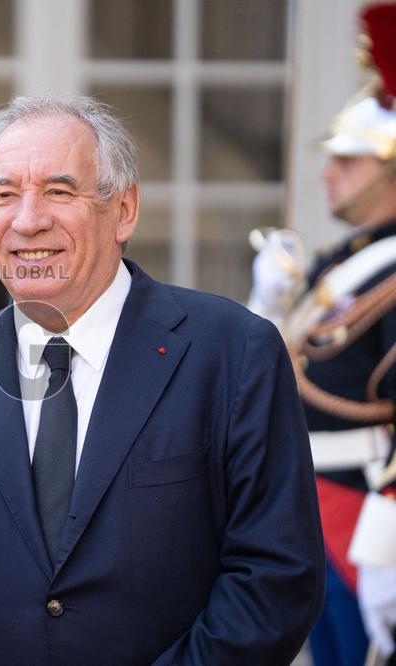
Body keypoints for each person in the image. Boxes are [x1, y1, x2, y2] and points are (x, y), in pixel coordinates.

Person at [0, 94, 325, 664]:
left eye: (59, 191)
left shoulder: (233, 352)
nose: (29, 220)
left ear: (125, 210)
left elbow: (275, 575)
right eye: (4, 195)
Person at [247, 5, 396, 664]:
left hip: (368, 501)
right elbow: (276, 371)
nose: (328, 173)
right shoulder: (342, 263)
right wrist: (268, 306)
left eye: (350, 161)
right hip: (311, 496)